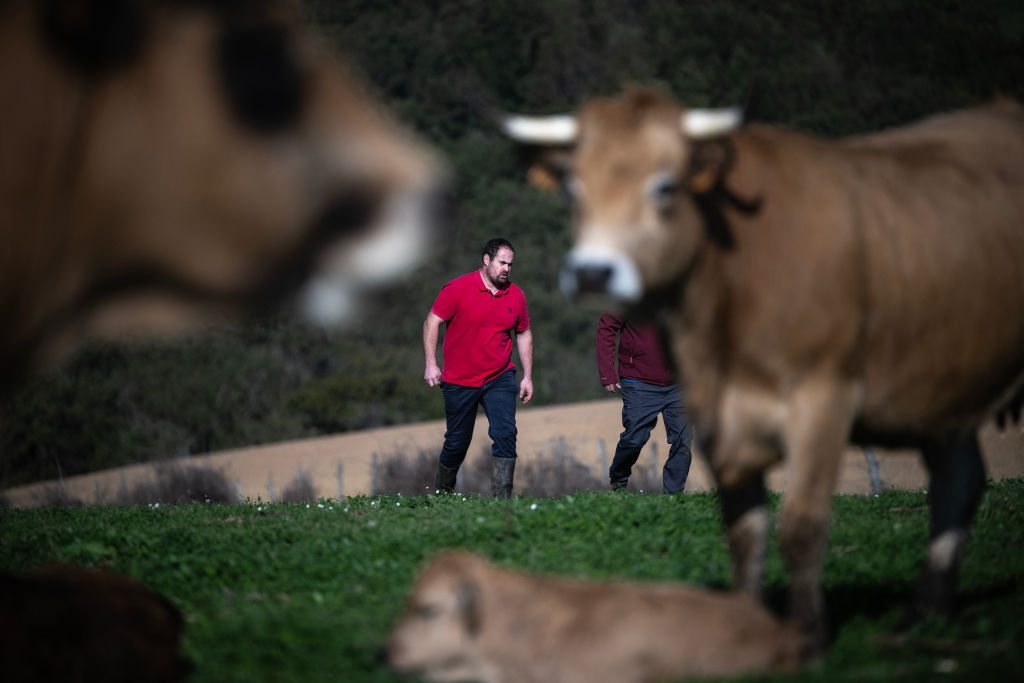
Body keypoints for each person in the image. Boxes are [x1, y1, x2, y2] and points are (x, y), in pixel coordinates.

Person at [423, 238, 533, 498]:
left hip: (499, 377)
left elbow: (524, 333)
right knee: (457, 443)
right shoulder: (457, 288)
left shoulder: (516, 295)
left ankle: (501, 499)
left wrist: (527, 376)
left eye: (510, 264)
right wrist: (431, 363)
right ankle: (443, 493)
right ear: (486, 260)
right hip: (459, 380)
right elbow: (431, 322)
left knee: (505, 434)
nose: (506, 268)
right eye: (501, 262)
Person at [595, 313, 692, 494]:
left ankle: (674, 497)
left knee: (684, 440)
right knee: (634, 438)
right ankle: (618, 479)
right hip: (638, 380)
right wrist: (607, 372)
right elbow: (606, 327)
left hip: (680, 381)